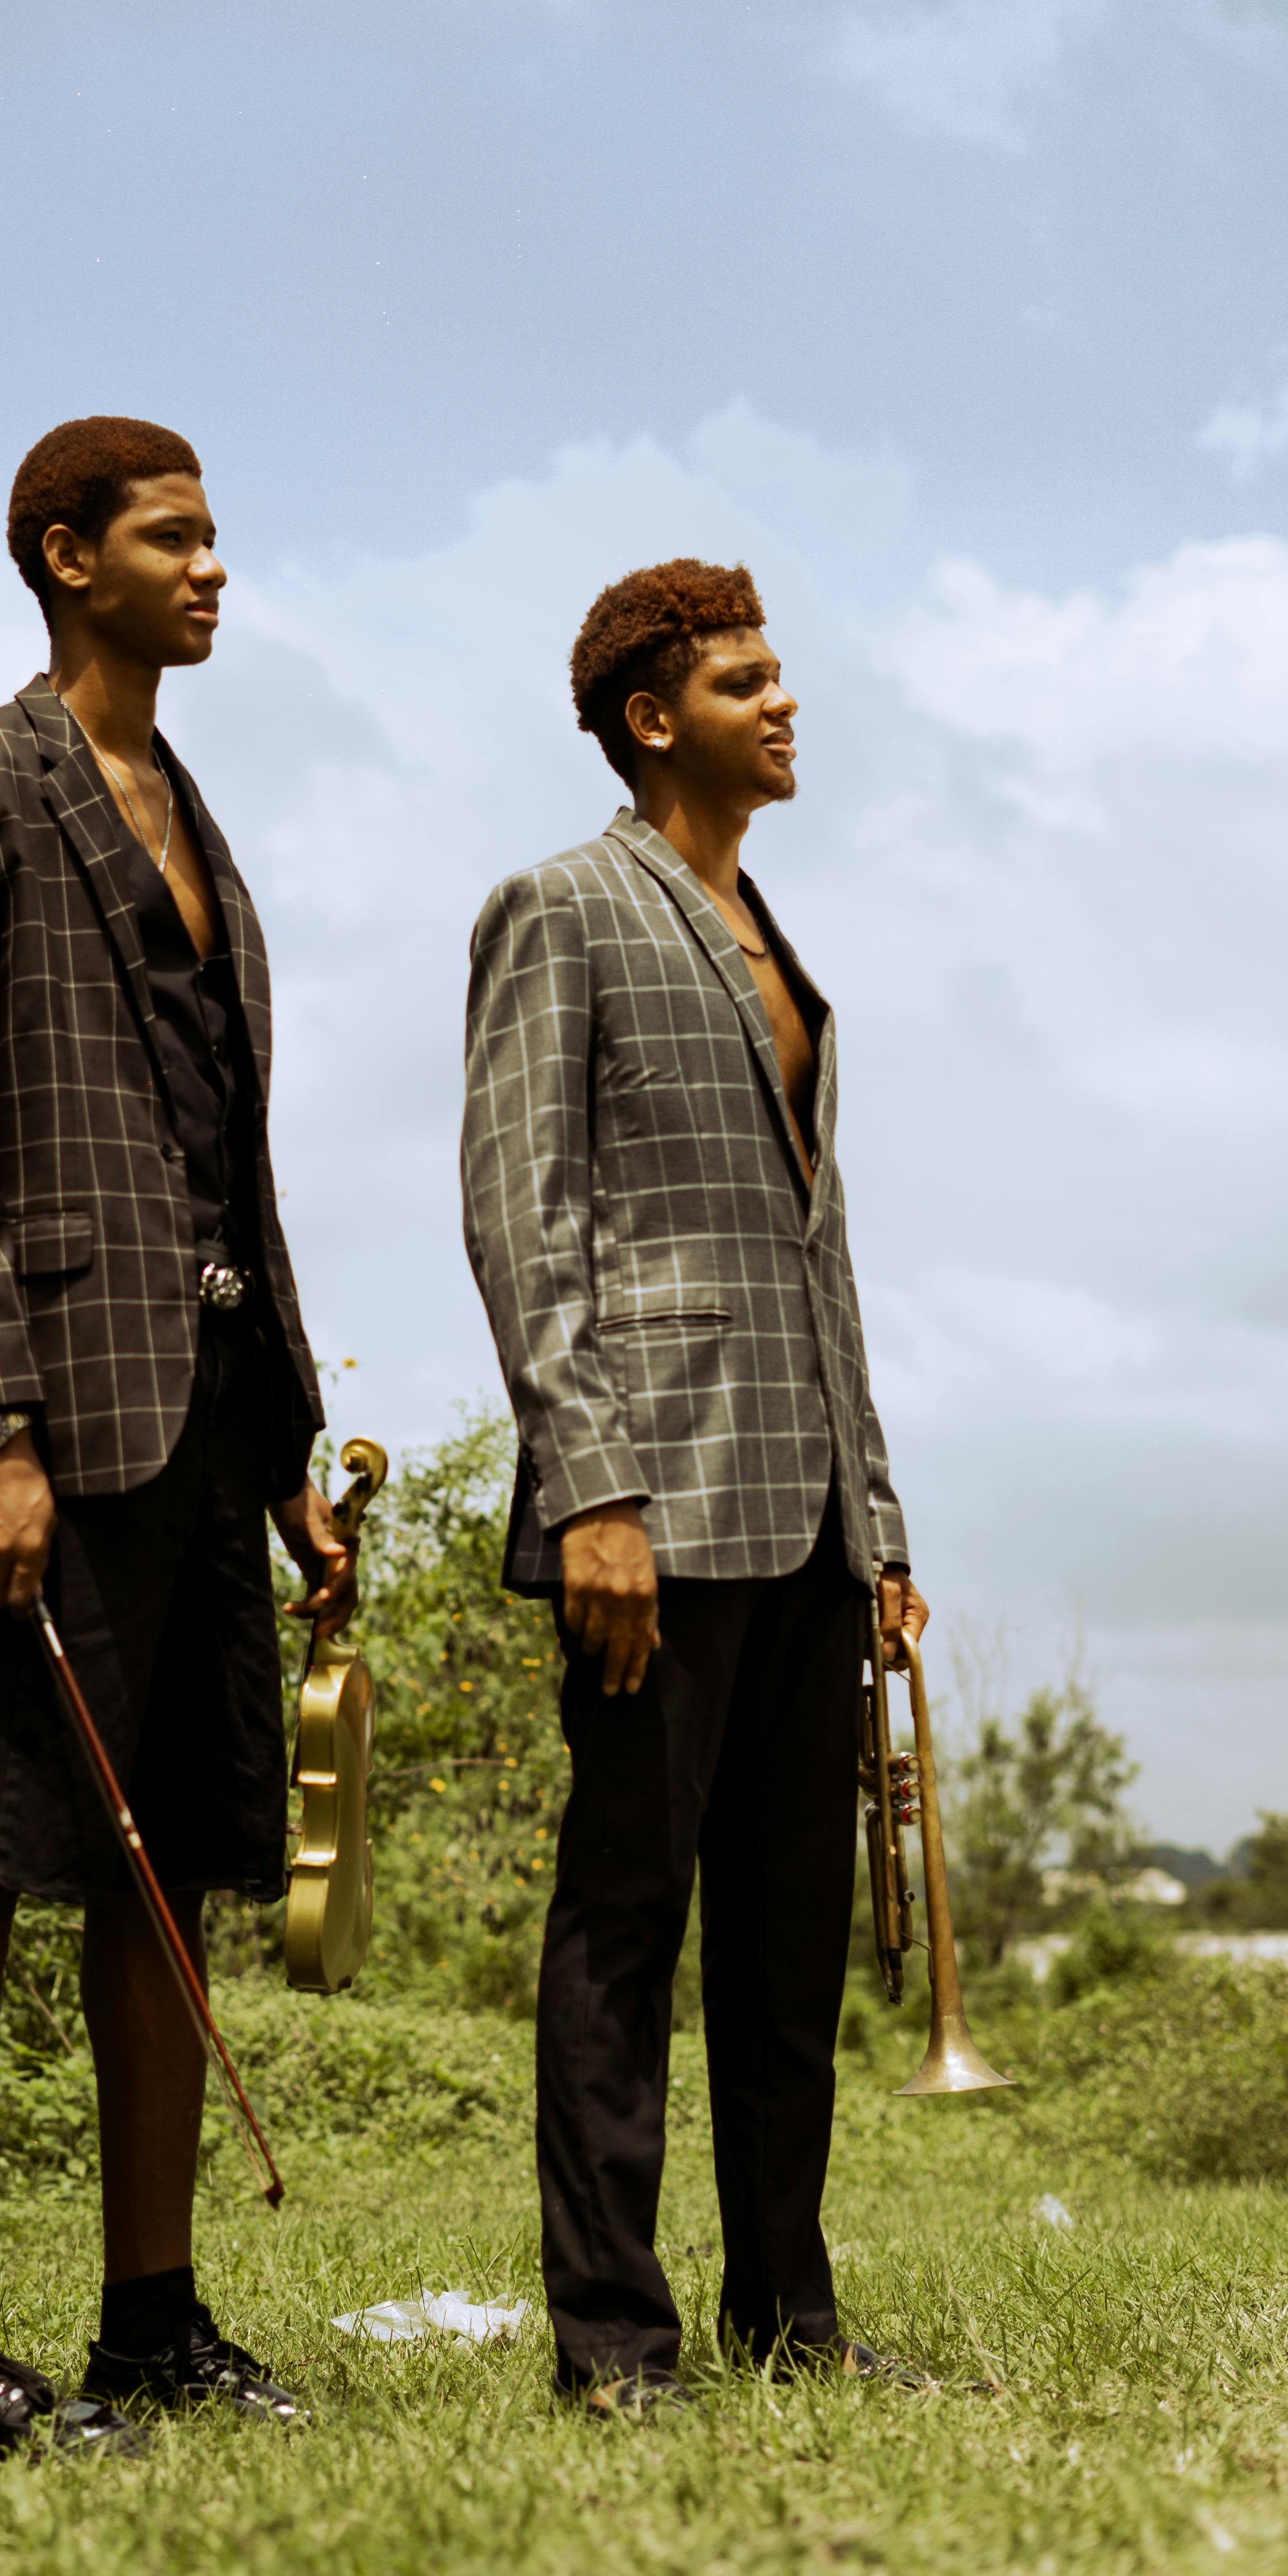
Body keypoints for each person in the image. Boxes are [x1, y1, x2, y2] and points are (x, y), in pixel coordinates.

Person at [0, 414, 353, 2459]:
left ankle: (153, 2323)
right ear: (69, 560)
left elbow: (233, 1155)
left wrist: (295, 1446)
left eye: (218, 535)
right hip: (45, 1426)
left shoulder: (200, 814)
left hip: (209, 1426)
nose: (214, 568)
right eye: (175, 538)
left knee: (175, 1887)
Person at [460, 557, 930, 2416]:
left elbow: (825, 1260)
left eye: (780, 674)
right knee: (626, 1925)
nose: (786, 703)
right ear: (657, 718)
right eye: (749, 682)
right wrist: (591, 1493)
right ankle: (614, 2342)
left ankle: (789, 2318)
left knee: (789, 1946)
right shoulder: (560, 909)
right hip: (648, 1507)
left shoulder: (778, 942)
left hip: (808, 1518)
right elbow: (522, 1214)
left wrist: (878, 1525)